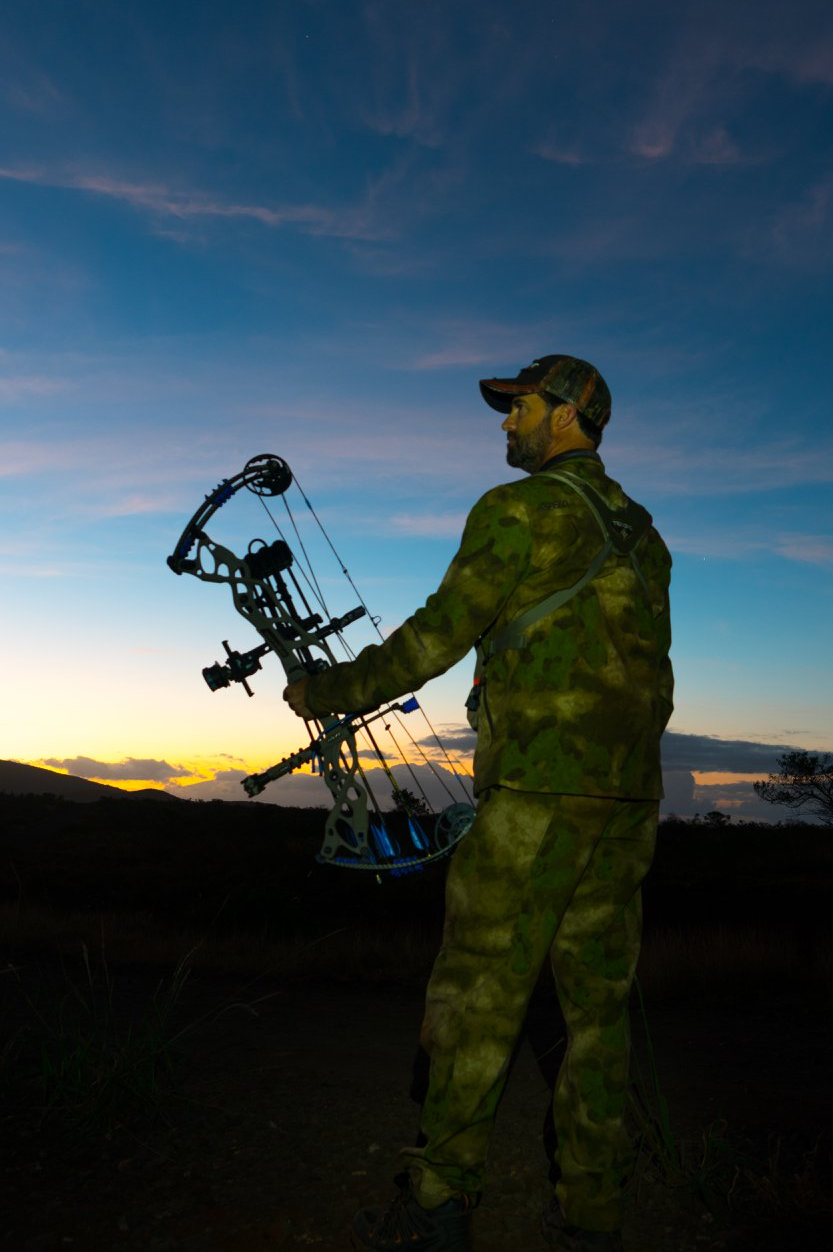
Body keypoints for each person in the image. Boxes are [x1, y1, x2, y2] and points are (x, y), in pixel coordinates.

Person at [285, 354, 675, 1252]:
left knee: (474, 1000)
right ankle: (592, 1214)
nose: (506, 423)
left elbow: (436, 633)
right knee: (597, 1013)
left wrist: (330, 689)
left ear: (569, 416)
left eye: (521, 407)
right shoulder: (643, 533)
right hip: (625, 804)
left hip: (538, 796)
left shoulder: (518, 510)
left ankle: (437, 1207)